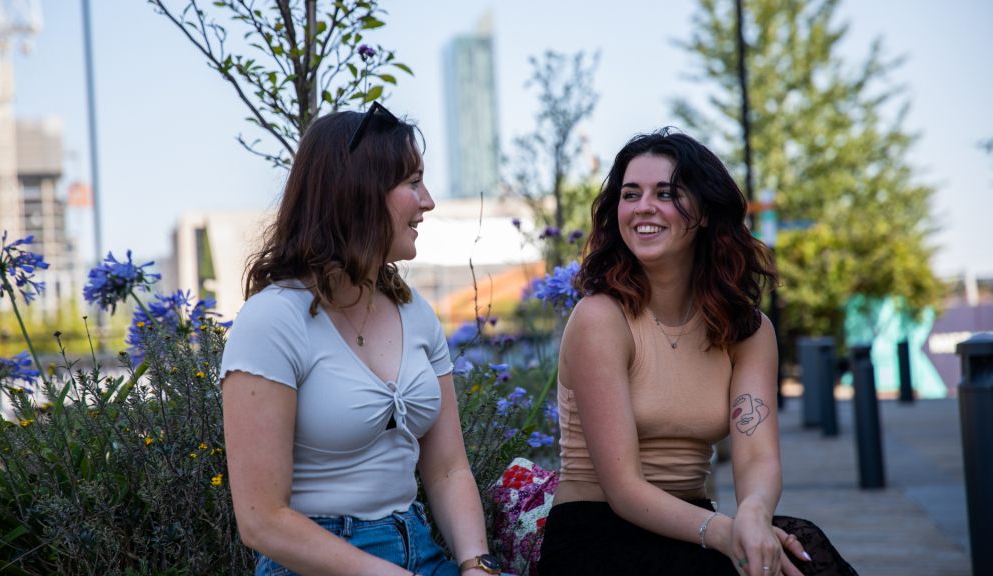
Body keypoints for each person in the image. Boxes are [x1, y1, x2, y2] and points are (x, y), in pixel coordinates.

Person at [537, 129, 856, 576]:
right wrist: (728, 533)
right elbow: (624, 487)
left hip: (695, 523)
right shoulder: (600, 319)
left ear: (704, 212)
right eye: (631, 194)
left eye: (666, 193)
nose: (643, 206)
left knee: (800, 550)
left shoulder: (747, 330)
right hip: (599, 535)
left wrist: (754, 516)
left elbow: (757, 457)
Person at [220, 104, 502, 576]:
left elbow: (449, 468)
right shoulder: (271, 321)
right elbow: (261, 522)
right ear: (360, 194)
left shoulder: (416, 314)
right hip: (316, 563)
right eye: (413, 183)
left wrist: (477, 565)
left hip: (420, 549)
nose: (428, 201)